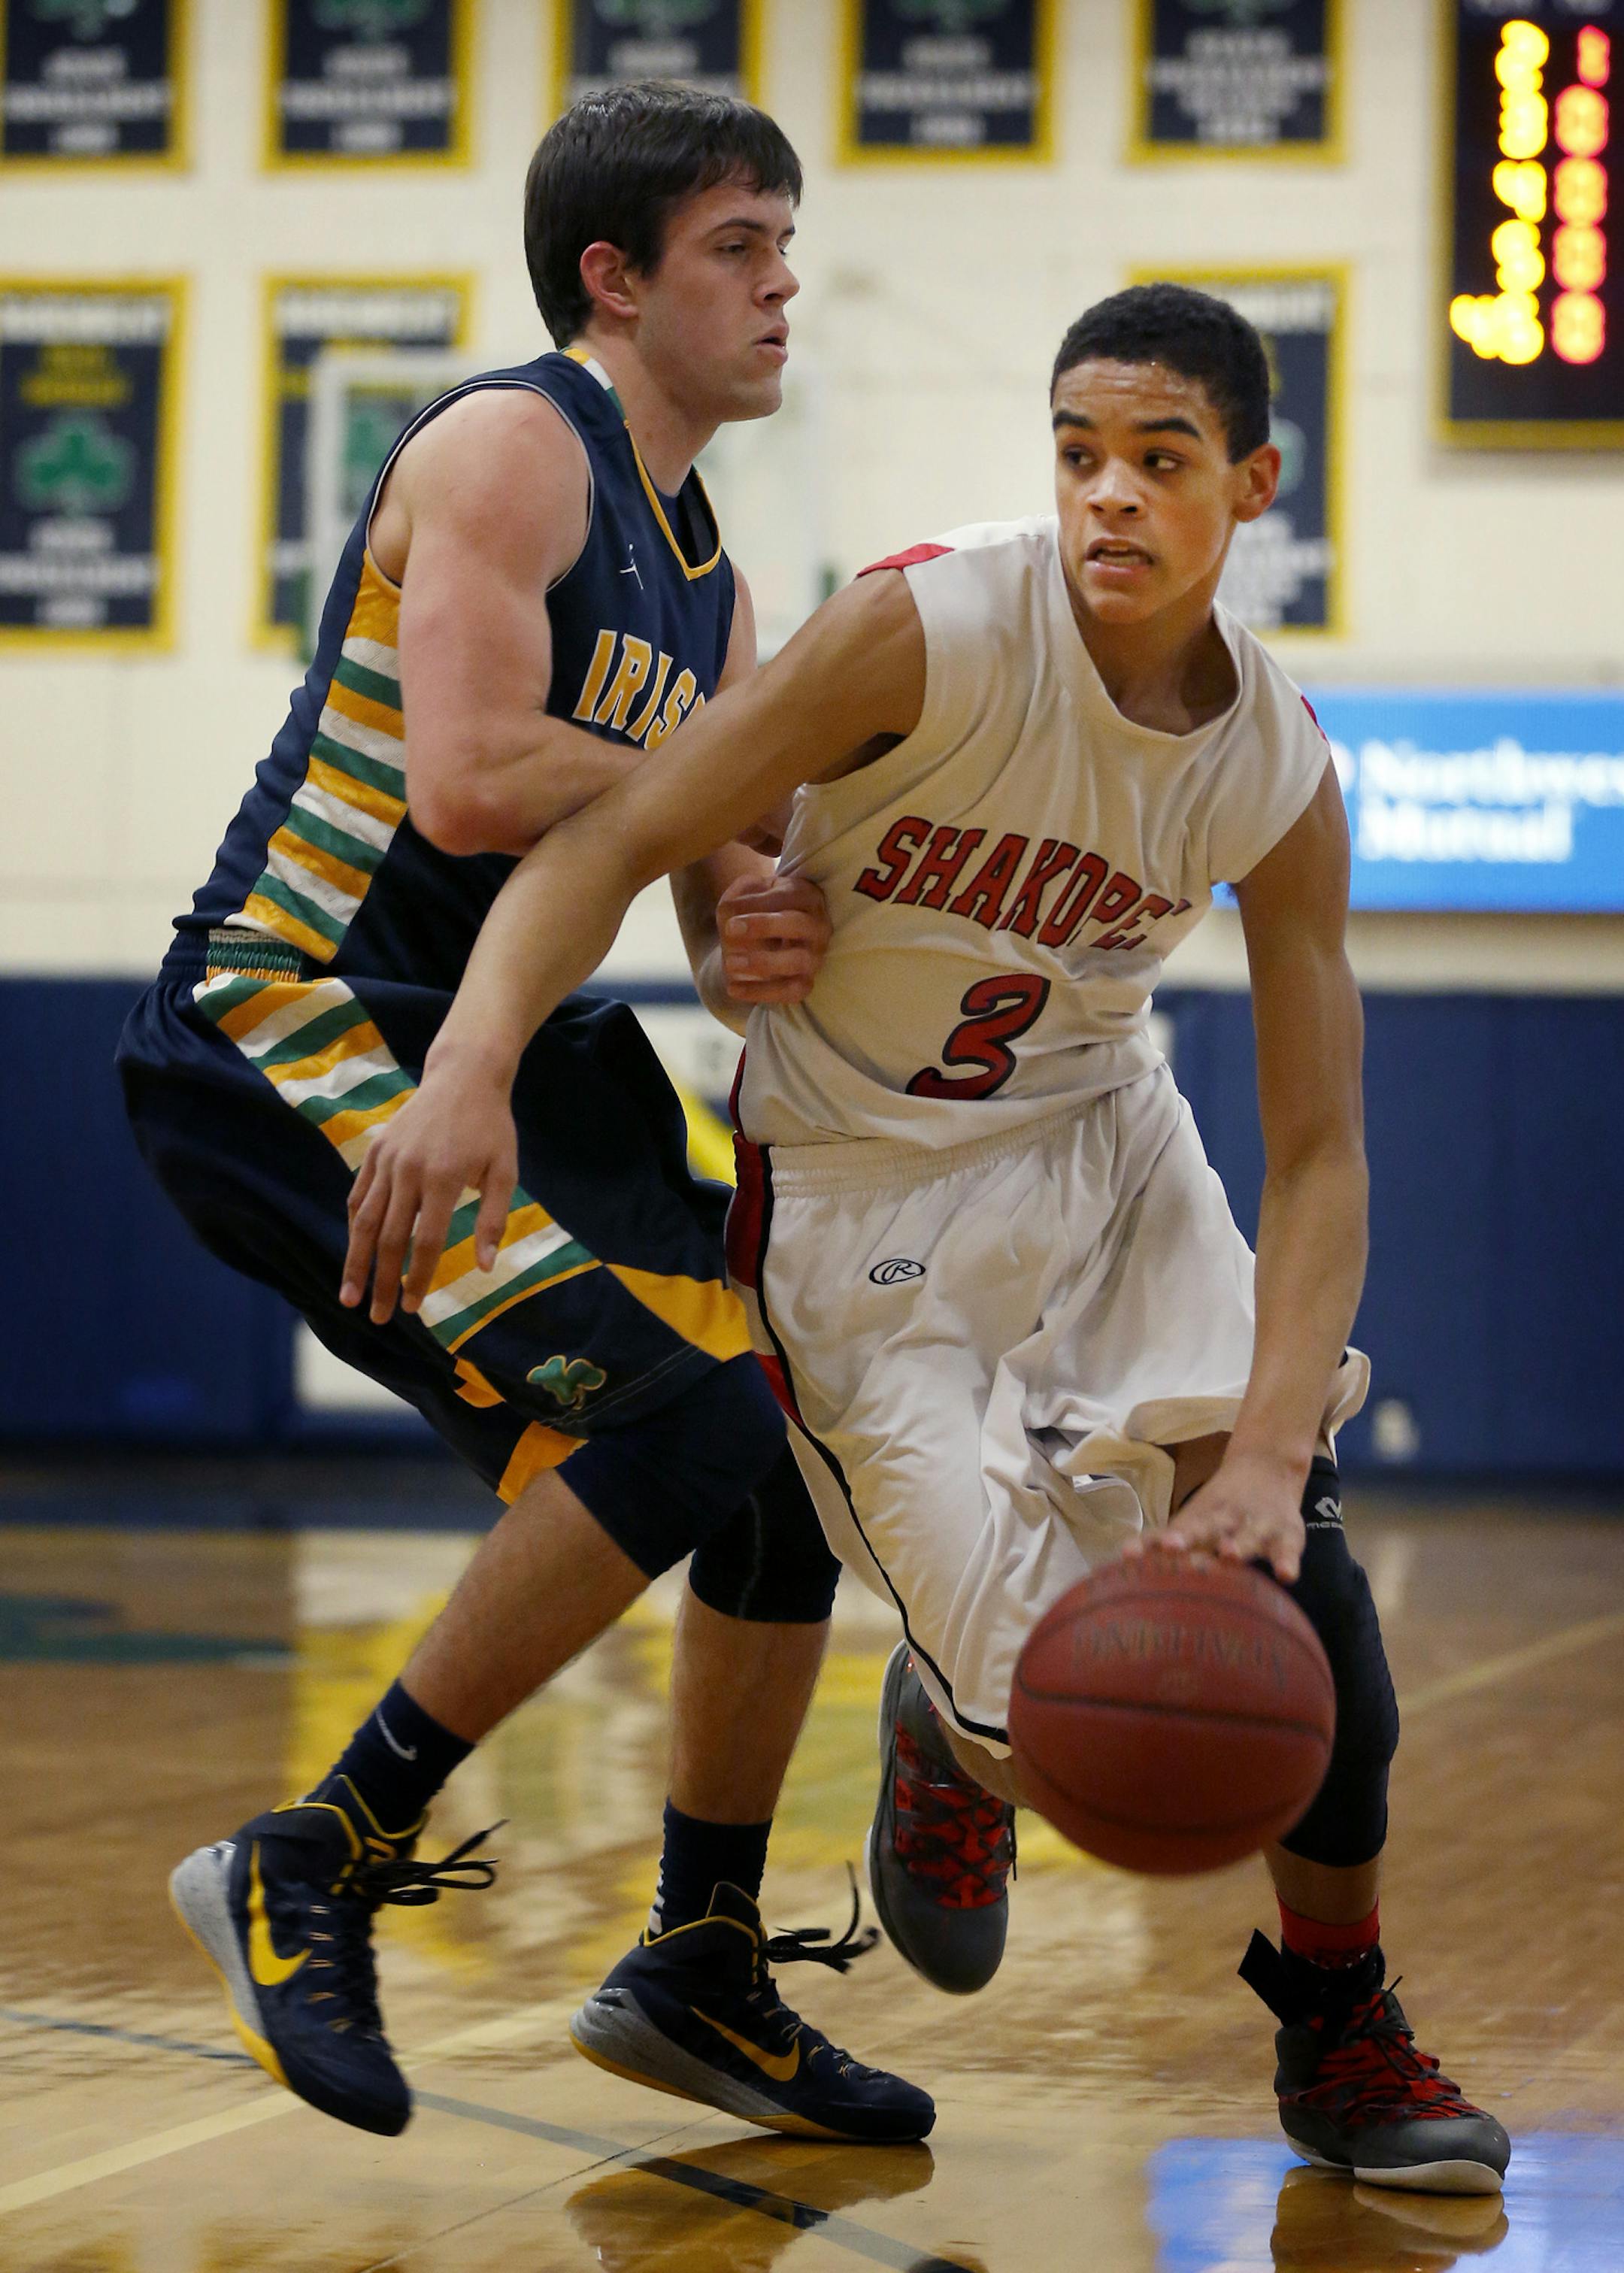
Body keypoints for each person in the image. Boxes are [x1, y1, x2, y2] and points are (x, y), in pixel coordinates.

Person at [339, 282, 1513, 2198]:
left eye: (1161, 461)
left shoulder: (1278, 772)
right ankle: (952, 1740)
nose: (1109, 500)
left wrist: (1276, 1455)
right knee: (1070, 1735)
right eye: (1078, 457)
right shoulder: (928, 627)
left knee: (1310, 1592)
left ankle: (1342, 2022)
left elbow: (1318, 1154)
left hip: (1102, 1143)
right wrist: (472, 1061)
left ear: (1256, 484)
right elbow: (620, 832)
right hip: (864, 1202)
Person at [116, 81, 934, 2150]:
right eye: (742, 246)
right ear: (615, 275)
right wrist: (728, 788)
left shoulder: (712, 571)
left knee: (770, 1479)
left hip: (499, 1043)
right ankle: (323, 1854)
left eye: (785, 242)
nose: (783, 286)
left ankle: (700, 1964)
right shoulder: (507, 446)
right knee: (684, 1429)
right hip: (298, 1017)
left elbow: (669, 859)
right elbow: (477, 781)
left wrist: (753, 899)